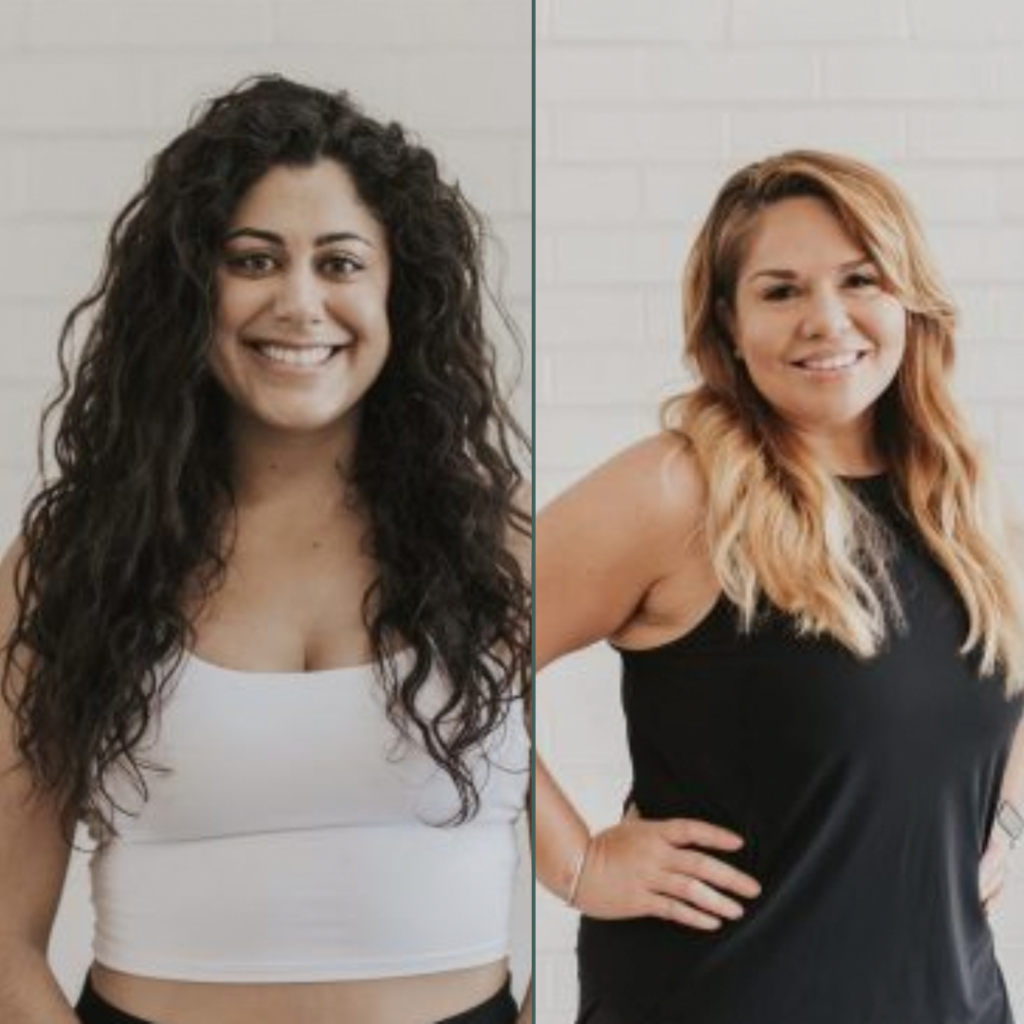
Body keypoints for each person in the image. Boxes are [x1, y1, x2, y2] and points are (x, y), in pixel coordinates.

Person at [0, 75, 531, 1024]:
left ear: (398, 290)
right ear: (189, 291)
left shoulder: (505, 542)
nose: (299, 302)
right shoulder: (72, 557)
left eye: (339, 263)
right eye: (252, 260)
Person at [536, 150, 1024, 1023]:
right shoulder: (679, 490)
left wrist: (1007, 824)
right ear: (728, 322)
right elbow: (447, 652)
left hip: (950, 999)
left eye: (859, 279)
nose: (826, 320)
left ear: (907, 296)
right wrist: (575, 863)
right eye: (781, 291)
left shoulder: (963, 503)